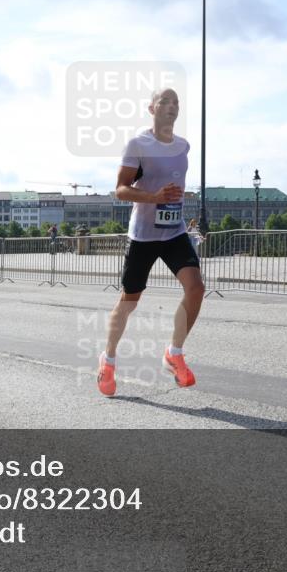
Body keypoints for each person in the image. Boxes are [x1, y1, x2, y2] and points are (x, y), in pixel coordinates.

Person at [97, 88, 204, 396]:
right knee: (129, 302)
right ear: (152, 108)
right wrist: (154, 197)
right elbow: (120, 189)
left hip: (173, 232)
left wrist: (175, 198)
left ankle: (175, 353)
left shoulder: (184, 146)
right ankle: (108, 359)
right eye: (165, 102)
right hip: (143, 235)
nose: (171, 106)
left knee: (196, 288)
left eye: (176, 102)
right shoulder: (138, 144)